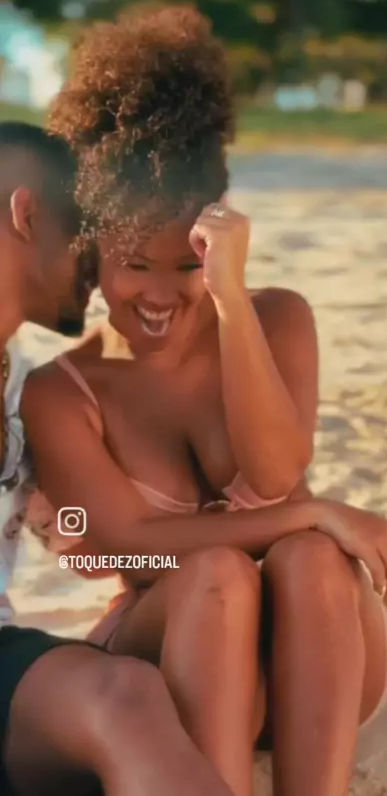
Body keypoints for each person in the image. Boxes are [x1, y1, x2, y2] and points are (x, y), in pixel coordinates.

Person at [22, 9, 387, 796]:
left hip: (321, 659)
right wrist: (319, 512)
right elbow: (127, 550)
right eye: (135, 264)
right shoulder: (62, 392)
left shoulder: (277, 320)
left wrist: (233, 301)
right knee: (219, 573)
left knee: (312, 559)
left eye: (189, 266)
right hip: (176, 656)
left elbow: (273, 473)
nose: (161, 296)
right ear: (93, 250)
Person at [0, 121, 234, 796]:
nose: (101, 262)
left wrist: (127, 548)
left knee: (125, 693)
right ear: (26, 215)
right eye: (87, 229)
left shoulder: (21, 385)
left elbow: (80, 541)